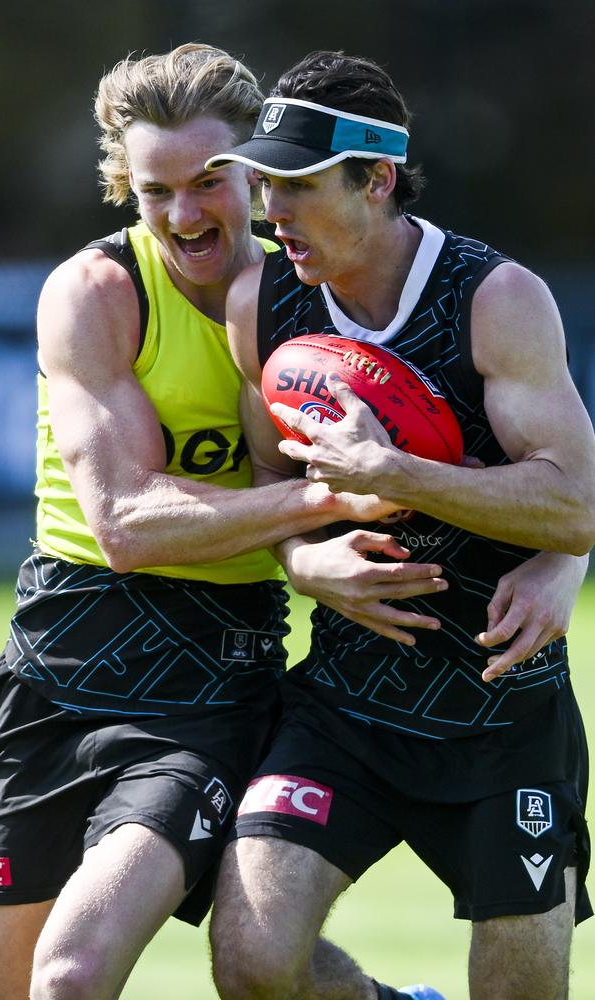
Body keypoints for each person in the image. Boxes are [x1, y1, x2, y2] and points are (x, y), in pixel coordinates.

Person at [0, 43, 586, 1000]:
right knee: (164, 972)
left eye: (235, 181)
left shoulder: (469, 297)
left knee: (74, 979)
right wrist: (313, 542)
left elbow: (572, 496)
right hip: (195, 673)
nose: (245, 210)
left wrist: (554, 558)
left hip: (368, 686)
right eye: (155, 189)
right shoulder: (200, 298)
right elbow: (195, 498)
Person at [205, 51, 595, 1000]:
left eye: (296, 185)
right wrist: (302, 560)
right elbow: (270, 472)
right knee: (253, 961)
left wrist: (398, 474)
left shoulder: (495, 299)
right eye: (264, 185)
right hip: (345, 700)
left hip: (501, 703)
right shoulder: (262, 301)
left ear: (376, 179)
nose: (271, 212)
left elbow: (575, 504)